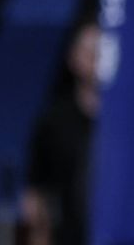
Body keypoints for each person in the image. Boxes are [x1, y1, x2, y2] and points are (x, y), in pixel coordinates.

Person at [21, 19, 100, 245]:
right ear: (73, 57)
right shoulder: (54, 122)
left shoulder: (130, 123)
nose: (95, 58)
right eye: (88, 51)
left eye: (102, 50)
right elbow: (35, 194)